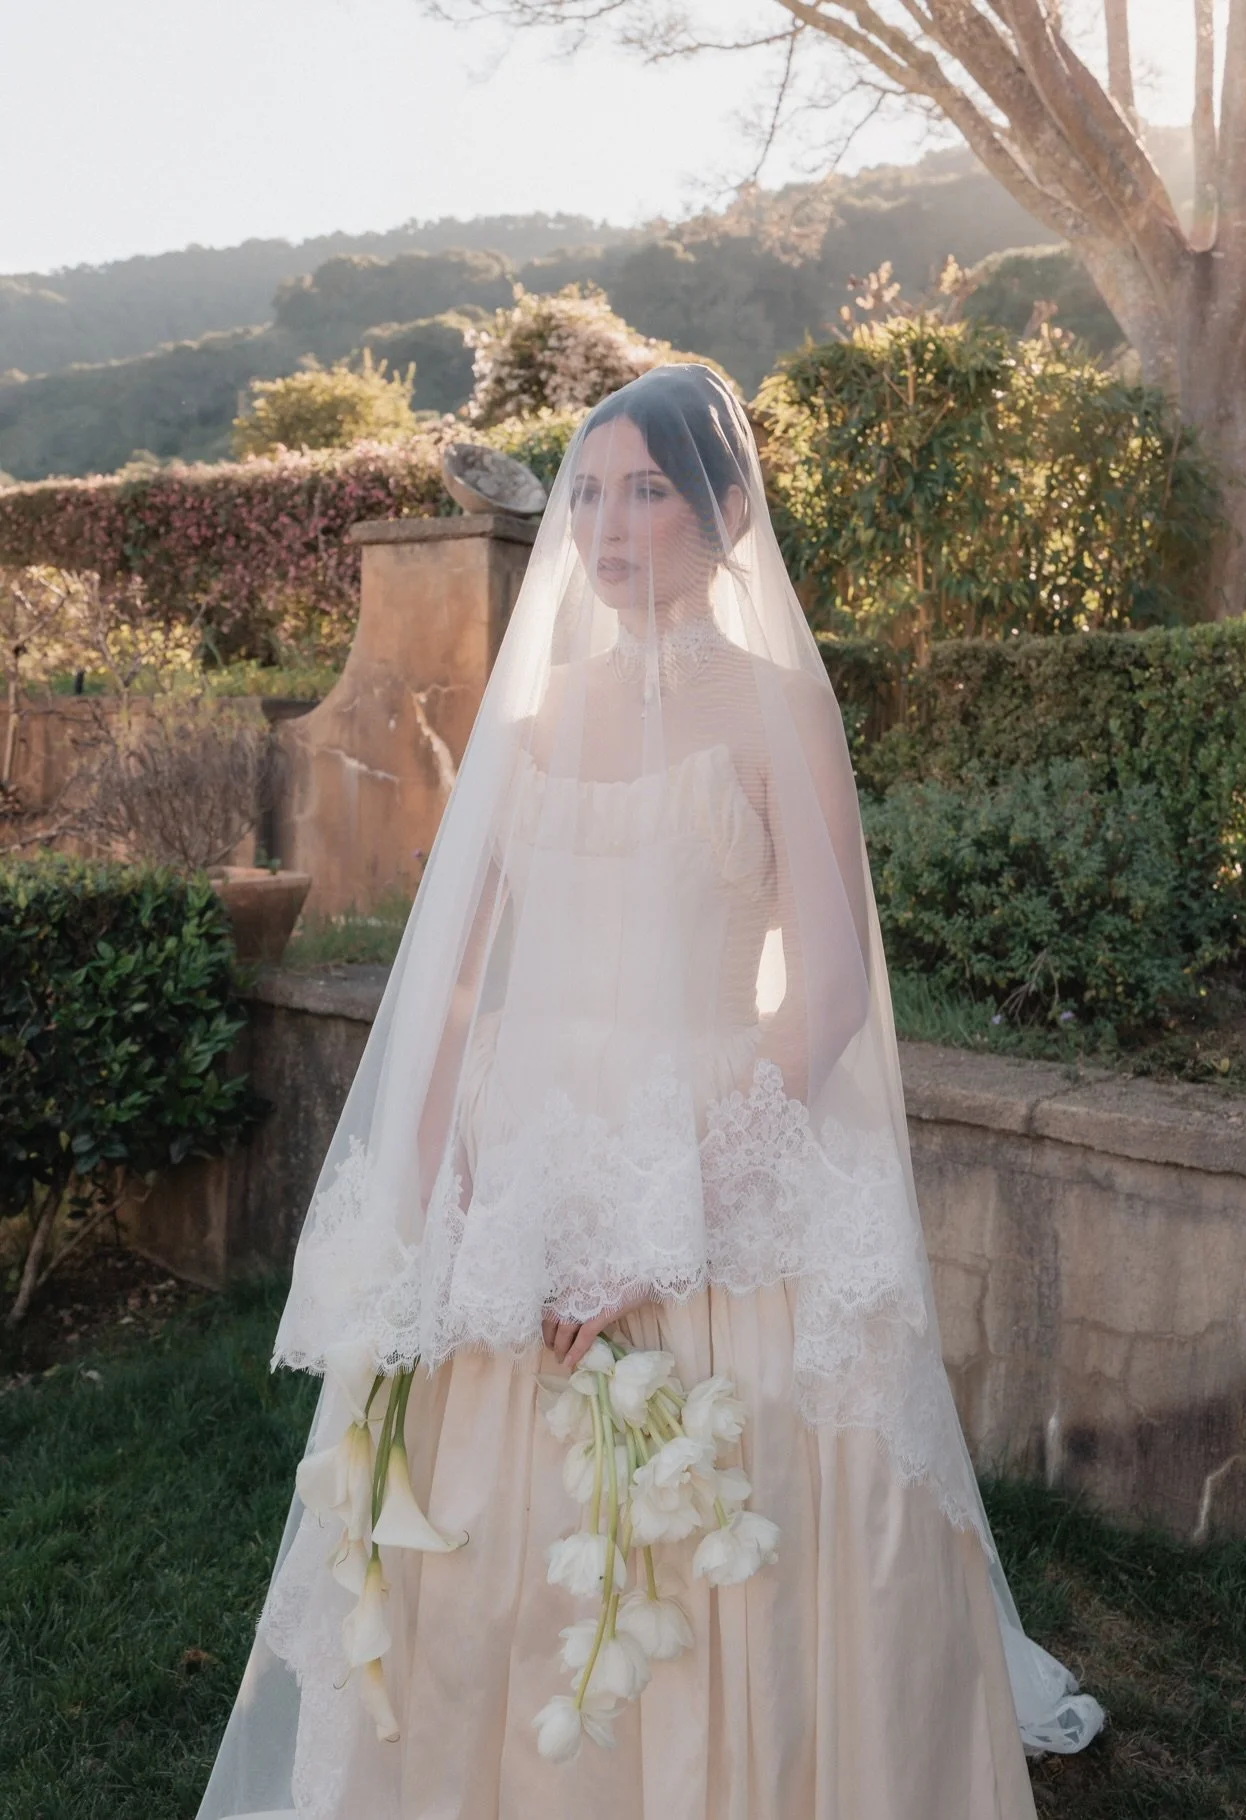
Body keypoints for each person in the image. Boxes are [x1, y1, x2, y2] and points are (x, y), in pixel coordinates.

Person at [195, 362, 1102, 1820]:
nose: (610, 528)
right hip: (526, 1160)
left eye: (651, 491)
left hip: (710, 1156)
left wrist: (669, 1229)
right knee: (480, 1527)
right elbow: (455, 990)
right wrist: (433, 1200)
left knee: (729, 1518)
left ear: (725, 512)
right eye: (593, 494)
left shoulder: (779, 711)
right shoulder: (536, 717)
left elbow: (826, 998)